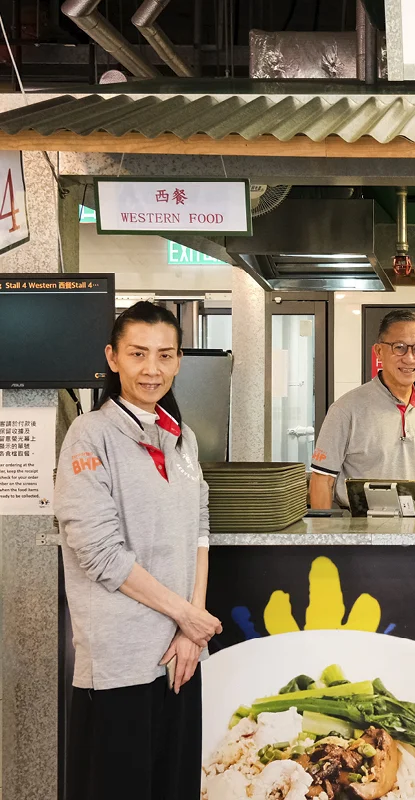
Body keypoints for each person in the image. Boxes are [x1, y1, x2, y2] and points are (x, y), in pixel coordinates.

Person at [55, 301, 223, 800]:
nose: (152, 368)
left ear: (178, 361)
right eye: (137, 353)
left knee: (174, 786)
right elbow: (100, 553)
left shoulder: (183, 437)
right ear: (113, 358)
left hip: (179, 656)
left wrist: (190, 628)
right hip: (120, 661)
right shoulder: (90, 435)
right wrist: (187, 617)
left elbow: (199, 529)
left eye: (165, 355)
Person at [310, 309, 415, 516]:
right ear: (379, 351)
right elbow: (323, 479)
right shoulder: (346, 409)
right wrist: (322, 532)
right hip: (360, 527)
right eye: (399, 347)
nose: (409, 358)